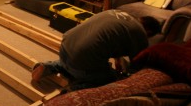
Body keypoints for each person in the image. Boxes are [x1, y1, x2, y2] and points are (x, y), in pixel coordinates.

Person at [32, 10, 161, 90]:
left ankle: (49, 66)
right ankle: (75, 88)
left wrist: (117, 58)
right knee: (110, 78)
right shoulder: (141, 35)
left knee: (75, 61)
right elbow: (137, 66)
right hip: (80, 60)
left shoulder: (119, 13)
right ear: (148, 32)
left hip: (65, 47)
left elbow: (111, 37)